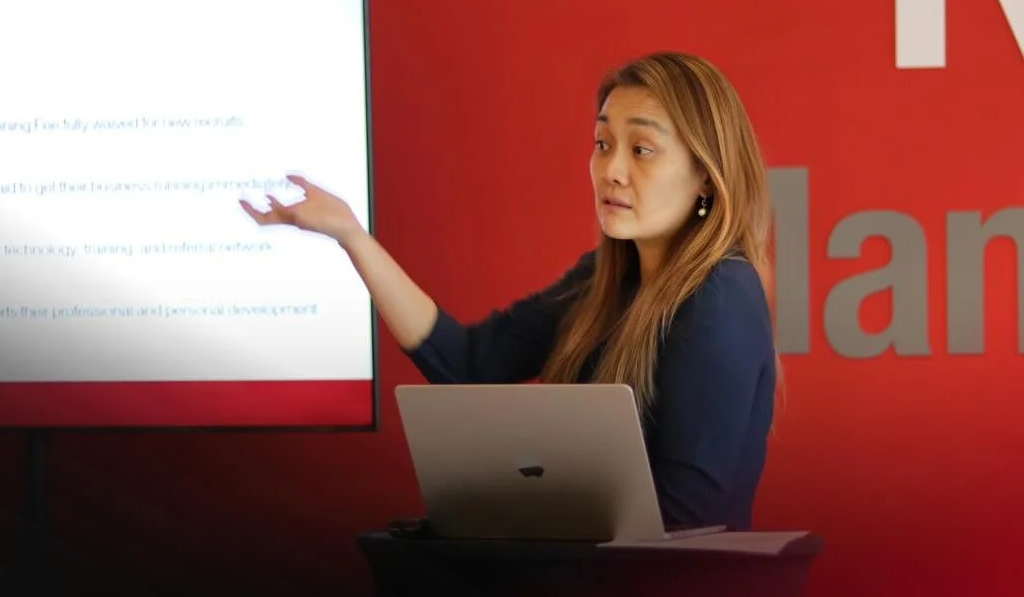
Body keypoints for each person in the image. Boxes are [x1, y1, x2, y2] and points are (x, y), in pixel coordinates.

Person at [242, 51, 777, 530]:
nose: (610, 169)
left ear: (706, 175)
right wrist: (351, 235)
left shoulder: (722, 295)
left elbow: (688, 520)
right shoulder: (602, 279)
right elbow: (469, 363)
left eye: (641, 149)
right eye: (602, 143)